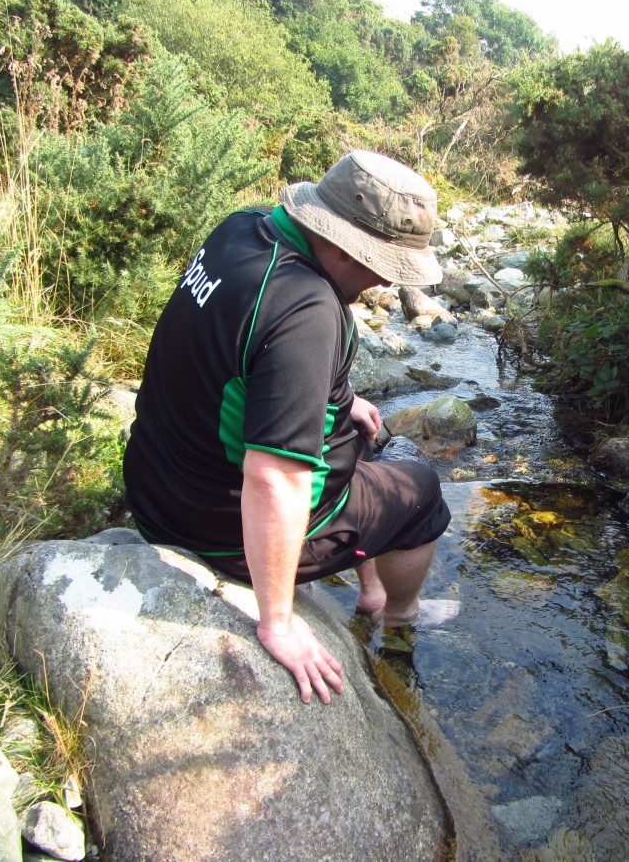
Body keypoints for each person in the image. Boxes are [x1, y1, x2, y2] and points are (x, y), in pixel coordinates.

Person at [123, 151, 452, 705]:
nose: (380, 283)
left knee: (362, 438)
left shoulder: (240, 232)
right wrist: (276, 621)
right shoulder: (308, 308)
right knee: (419, 488)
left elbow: (240, 355)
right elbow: (275, 478)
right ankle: (400, 614)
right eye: (382, 265)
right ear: (346, 245)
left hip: (157, 484)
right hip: (218, 528)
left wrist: (341, 401)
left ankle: (369, 588)